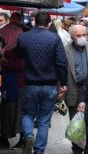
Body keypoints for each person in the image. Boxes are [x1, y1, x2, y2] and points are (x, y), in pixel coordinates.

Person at [17, 12, 68, 154]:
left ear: (34, 22)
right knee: (44, 120)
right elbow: (61, 62)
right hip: (50, 84)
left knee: (27, 114)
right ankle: (39, 151)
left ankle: (28, 136)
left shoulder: (24, 36)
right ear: (49, 24)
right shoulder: (54, 38)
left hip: (30, 83)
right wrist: (63, 82)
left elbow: (19, 55)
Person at [64, 25, 88, 154]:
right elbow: (62, 70)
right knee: (76, 121)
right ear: (72, 36)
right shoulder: (66, 49)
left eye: (84, 35)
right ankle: (77, 148)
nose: (82, 38)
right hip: (75, 89)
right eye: (78, 36)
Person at [0, 13, 25, 149]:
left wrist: (3, 63)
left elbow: (20, 66)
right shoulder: (7, 48)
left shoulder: (17, 50)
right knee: (9, 112)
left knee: (14, 112)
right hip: (10, 83)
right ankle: (7, 138)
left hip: (16, 84)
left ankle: (22, 138)